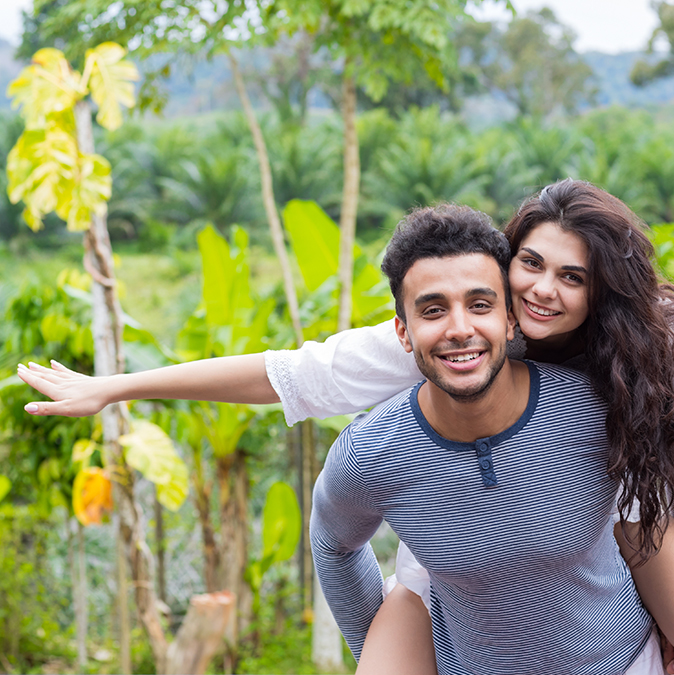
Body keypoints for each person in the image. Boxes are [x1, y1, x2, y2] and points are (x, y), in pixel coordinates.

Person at [17, 180, 674, 671]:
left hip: (602, 553)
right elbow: (284, 374)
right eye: (529, 264)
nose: (542, 291)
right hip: (450, 560)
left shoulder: (621, 376)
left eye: (572, 276)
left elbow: (647, 519)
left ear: (601, 291)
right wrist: (116, 386)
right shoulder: (444, 339)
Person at [310, 202, 669, 674]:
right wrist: (377, 646)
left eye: (480, 305)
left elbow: (642, 530)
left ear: (509, 320)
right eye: (434, 310)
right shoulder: (371, 454)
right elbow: (333, 544)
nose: (460, 330)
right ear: (403, 332)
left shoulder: (595, 410)